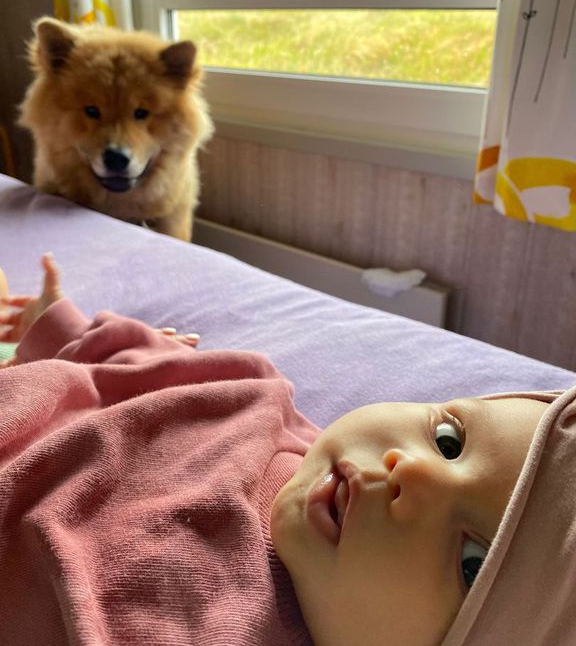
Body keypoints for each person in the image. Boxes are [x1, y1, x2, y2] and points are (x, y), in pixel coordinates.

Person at [0, 256, 573, 645]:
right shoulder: (267, 406)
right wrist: (53, 323)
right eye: (449, 439)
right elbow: (154, 371)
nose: (413, 471)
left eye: (473, 563)